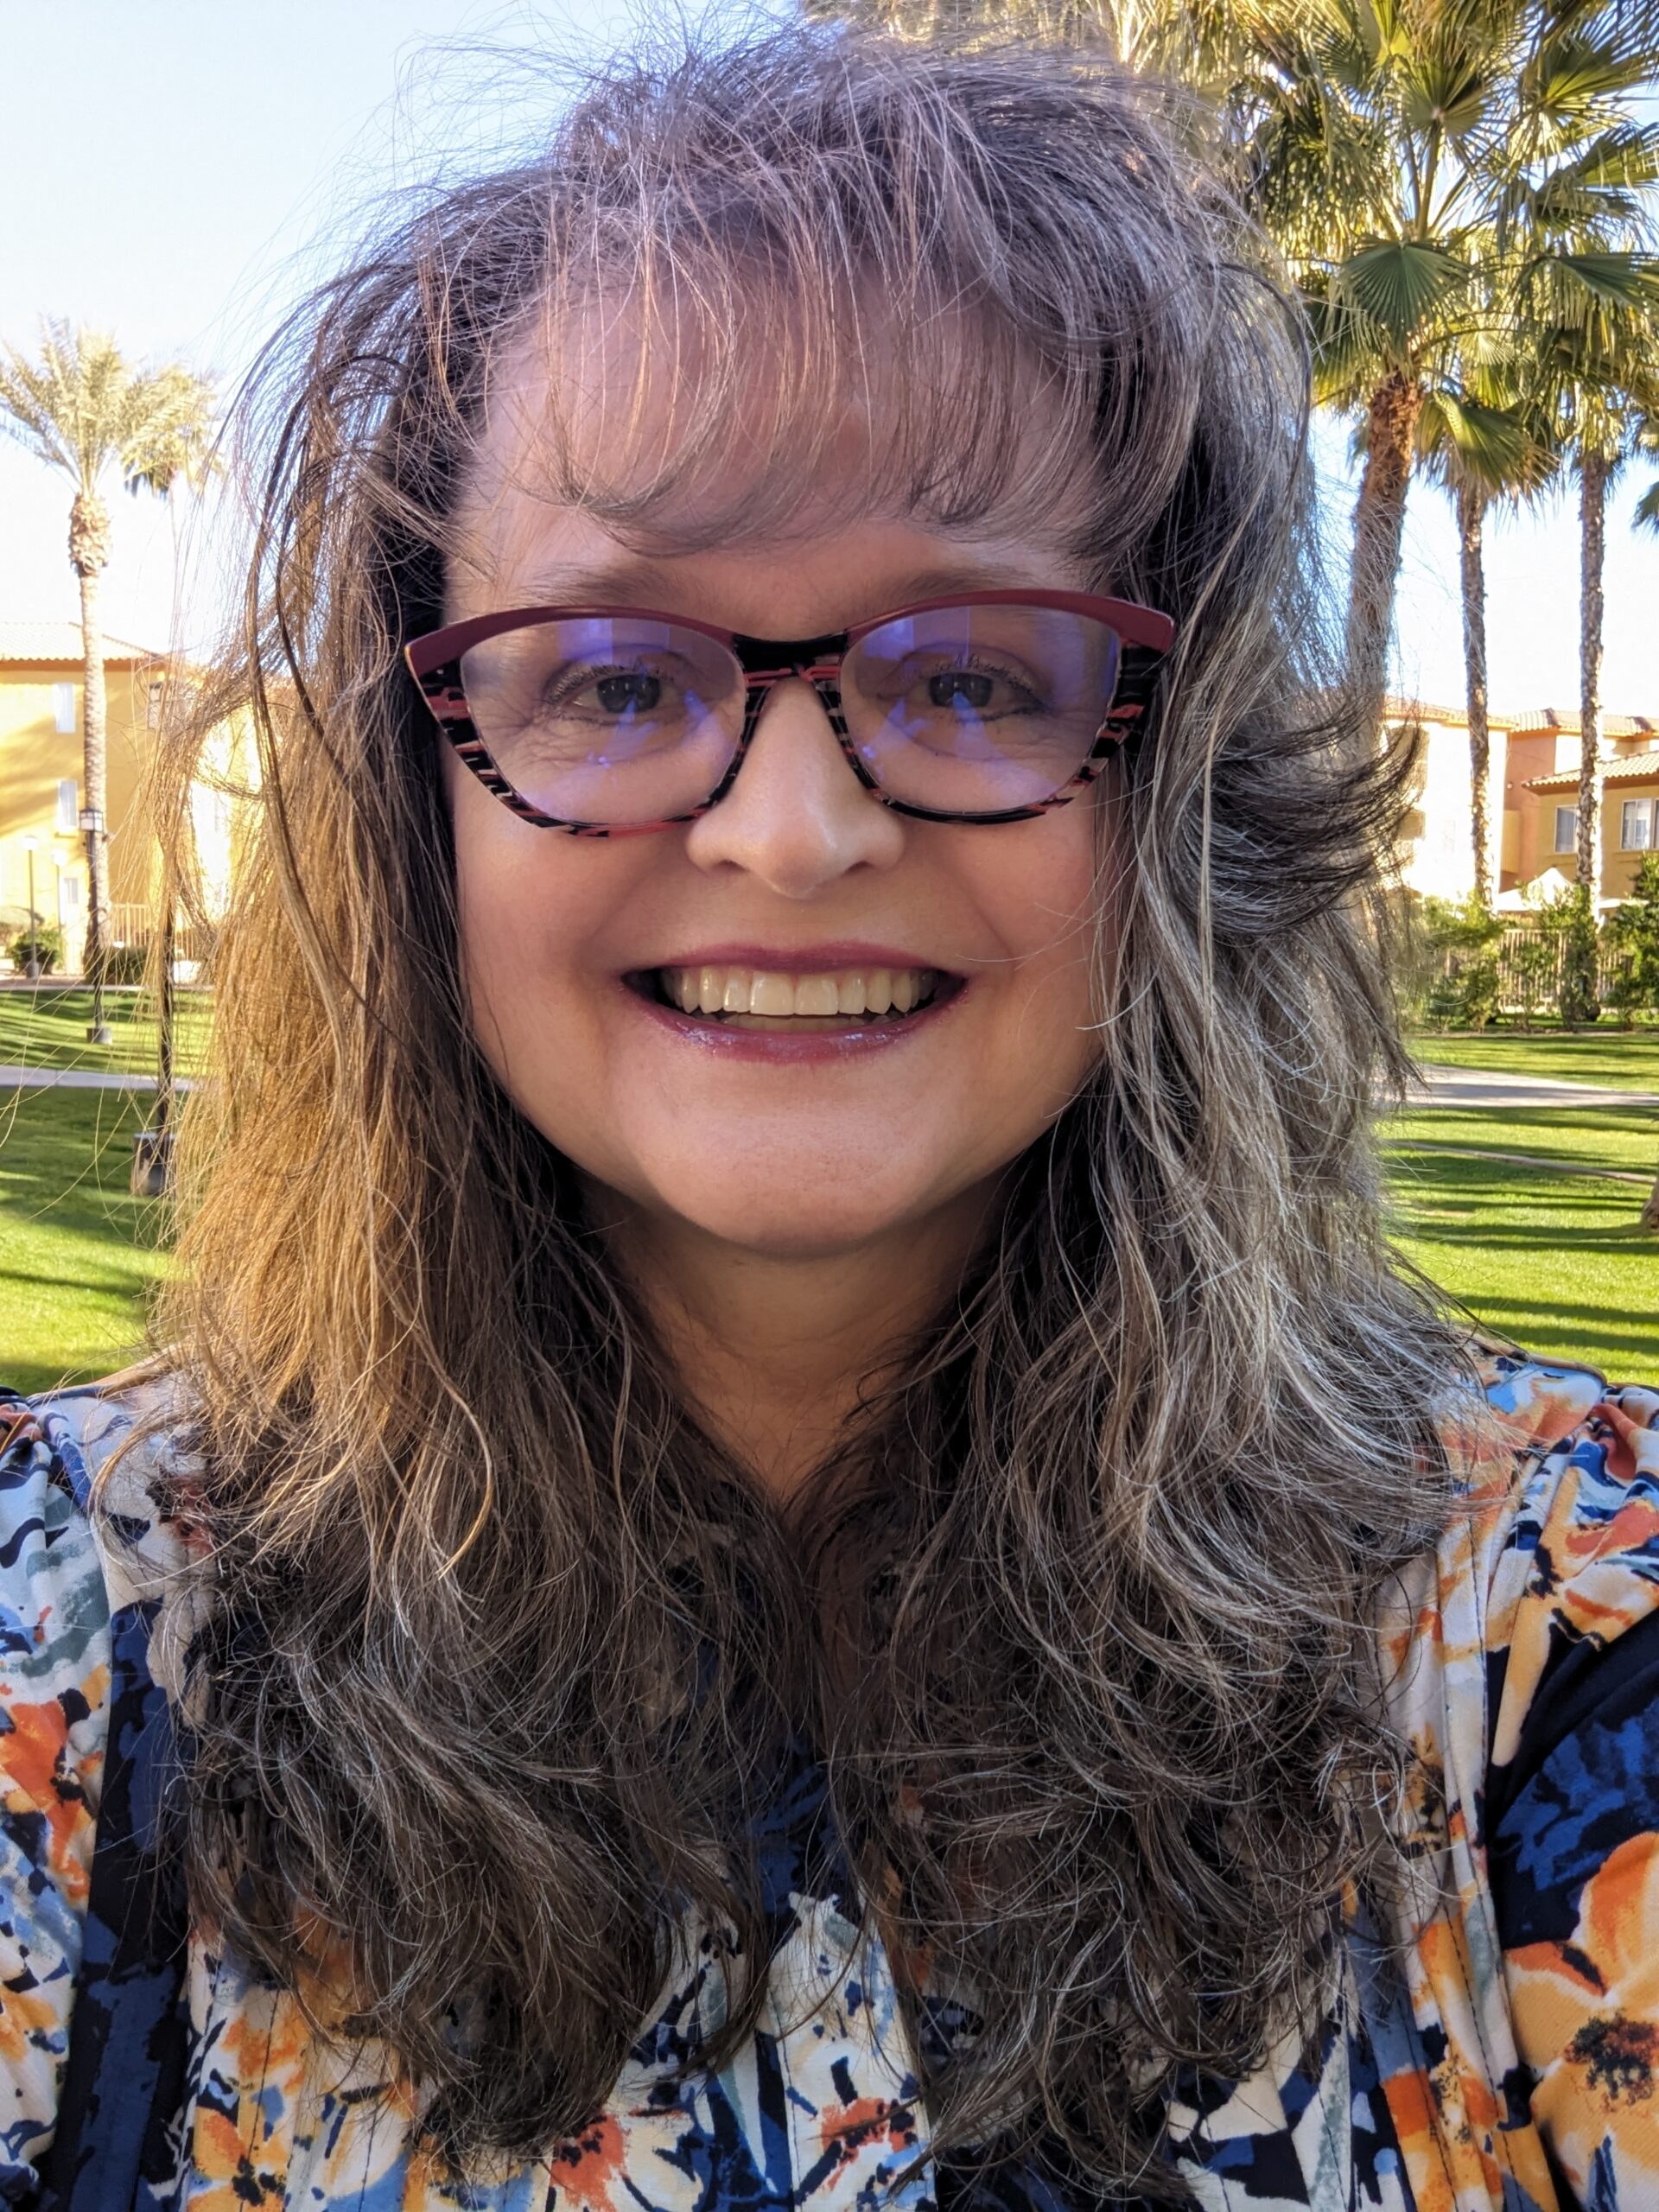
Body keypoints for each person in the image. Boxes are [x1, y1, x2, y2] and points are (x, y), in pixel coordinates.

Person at [3, 24, 1656, 2212]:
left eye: (970, 672)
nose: (791, 832)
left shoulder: (1553, 1638)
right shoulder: (72, 1651)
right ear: (425, 807)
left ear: (1171, 784)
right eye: (612, 674)